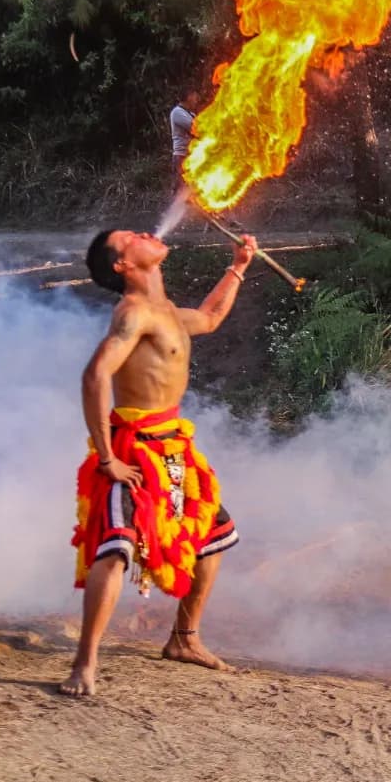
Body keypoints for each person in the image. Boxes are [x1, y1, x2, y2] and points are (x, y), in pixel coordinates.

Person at [61, 226, 258, 697]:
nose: (144, 231)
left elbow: (209, 318)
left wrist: (238, 268)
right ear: (121, 265)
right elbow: (95, 376)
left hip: (174, 447)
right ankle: (84, 664)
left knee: (212, 537)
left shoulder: (166, 311)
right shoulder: (134, 312)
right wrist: (107, 456)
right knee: (116, 548)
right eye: (129, 236)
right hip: (135, 450)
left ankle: (183, 640)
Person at [169, 90, 200, 188]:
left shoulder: (190, 113)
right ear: (188, 97)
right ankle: (177, 203)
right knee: (179, 187)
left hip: (191, 156)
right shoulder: (177, 112)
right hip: (181, 157)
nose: (196, 99)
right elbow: (195, 128)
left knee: (192, 189)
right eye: (194, 96)